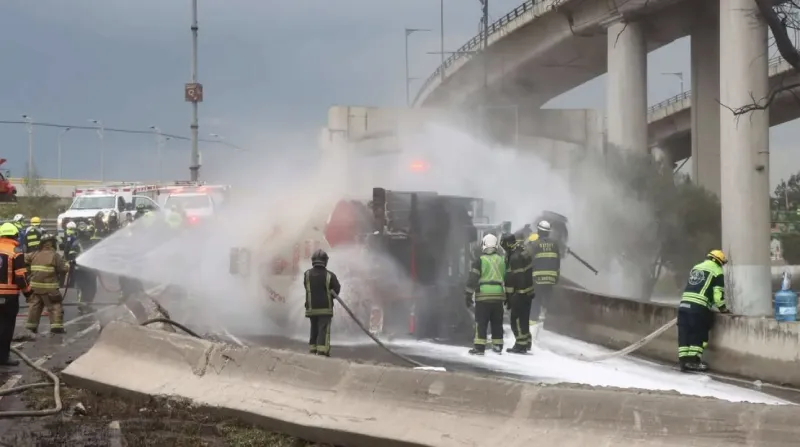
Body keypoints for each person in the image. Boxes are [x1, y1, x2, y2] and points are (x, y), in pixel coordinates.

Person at [678, 250, 730, 372]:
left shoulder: (696, 267)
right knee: (699, 333)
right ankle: (693, 361)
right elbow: (718, 294)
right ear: (719, 261)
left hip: (683, 305)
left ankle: (683, 361)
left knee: (684, 334)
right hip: (698, 307)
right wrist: (723, 308)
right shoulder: (717, 271)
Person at [465, 233, 507, 355]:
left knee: (481, 322)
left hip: (483, 296)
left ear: (483, 245)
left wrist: (468, 294)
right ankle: (498, 345)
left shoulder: (479, 261)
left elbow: (473, 279)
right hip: (498, 295)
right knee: (497, 322)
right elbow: (507, 277)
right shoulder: (502, 260)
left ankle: (479, 347)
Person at [24, 234, 69, 334]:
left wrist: (28, 271)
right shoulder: (55, 255)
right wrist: (67, 265)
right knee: (55, 306)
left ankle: (31, 327)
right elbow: (62, 269)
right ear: (53, 243)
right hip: (50, 289)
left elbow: (23, 260)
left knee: (34, 307)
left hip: (34, 288)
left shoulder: (34, 254)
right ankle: (56, 327)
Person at [0, 222, 30, 366]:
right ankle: (3, 358)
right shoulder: (16, 251)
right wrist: (28, 293)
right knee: (7, 326)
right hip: (9, 297)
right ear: (15, 235)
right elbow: (20, 277)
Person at [303, 249, 341, 357]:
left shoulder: (307, 274)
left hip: (311, 308)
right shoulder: (330, 275)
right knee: (324, 329)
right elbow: (337, 290)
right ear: (325, 261)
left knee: (314, 328)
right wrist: (329, 295)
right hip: (325, 308)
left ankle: (312, 349)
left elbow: (307, 287)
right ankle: (322, 351)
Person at [501, 232, 534, 354]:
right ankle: (527, 341)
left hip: (520, 294)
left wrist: (511, 297)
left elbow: (514, 278)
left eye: (503, 245)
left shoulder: (514, 258)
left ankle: (520, 345)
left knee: (516, 320)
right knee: (524, 319)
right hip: (527, 293)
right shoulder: (522, 251)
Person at [529, 220, 561, 326]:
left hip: (537, 279)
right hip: (551, 279)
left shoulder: (535, 244)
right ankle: (548, 323)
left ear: (539, 231)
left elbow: (529, 260)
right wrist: (556, 277)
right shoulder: (555, 245)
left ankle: (533, 325)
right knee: (547, 301)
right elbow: (557, 263)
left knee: (536, 301)